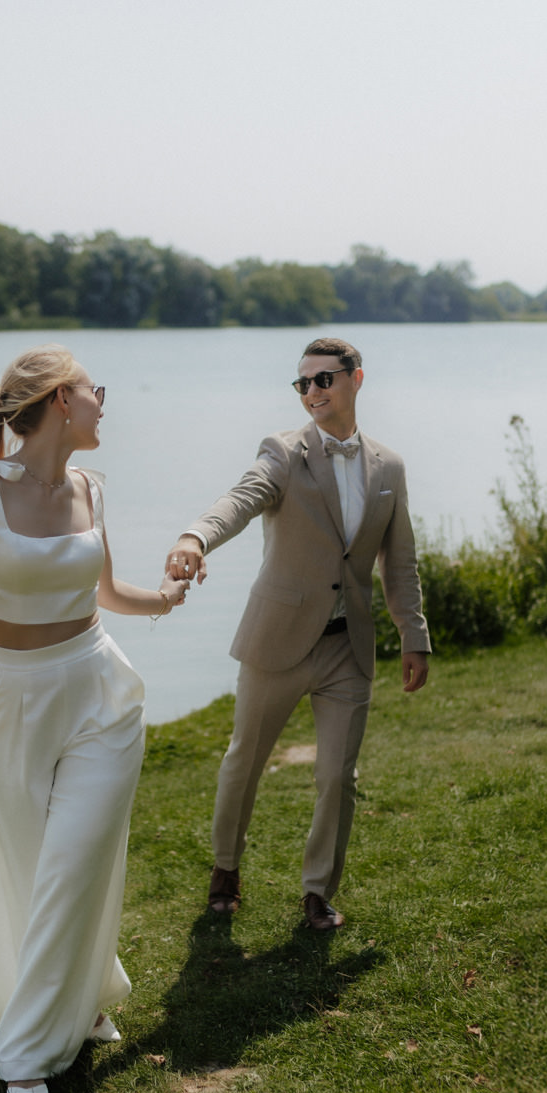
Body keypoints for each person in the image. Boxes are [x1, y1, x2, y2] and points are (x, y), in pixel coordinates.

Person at [0, 345, 189, 1093]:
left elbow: (103, 592)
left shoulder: (91, 487)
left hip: (101, 694)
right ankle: (86, 994)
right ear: (62, 399)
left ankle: (25, 1051)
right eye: (98, 390)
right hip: (16, 703)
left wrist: (161, 598)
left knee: (74, 861)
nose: (104, 402)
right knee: (32, 870)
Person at [164, 337, 429, 930]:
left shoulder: (389, 466)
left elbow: (400, 559)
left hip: (348, 647)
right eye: (302, 383)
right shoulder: (282, 452)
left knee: (338, 775)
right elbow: (241, 497)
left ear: (356, 379)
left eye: (323, 380)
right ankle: (226, 869)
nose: (312, 392)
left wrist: (414, 633)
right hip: (278, 639)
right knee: (244, 761)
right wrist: (195, 537)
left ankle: (317, 893)